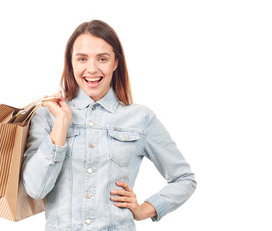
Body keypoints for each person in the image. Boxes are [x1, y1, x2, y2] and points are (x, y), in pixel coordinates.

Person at [22, 20, 196, 231]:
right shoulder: (47, 115)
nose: (92, 69)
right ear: (71, 63)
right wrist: (62, 124)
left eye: (102, 59)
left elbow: (184, 179)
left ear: (115, 63)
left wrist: (146, 209)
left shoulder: (141, 118)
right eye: (82, 59)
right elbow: (35, 189)